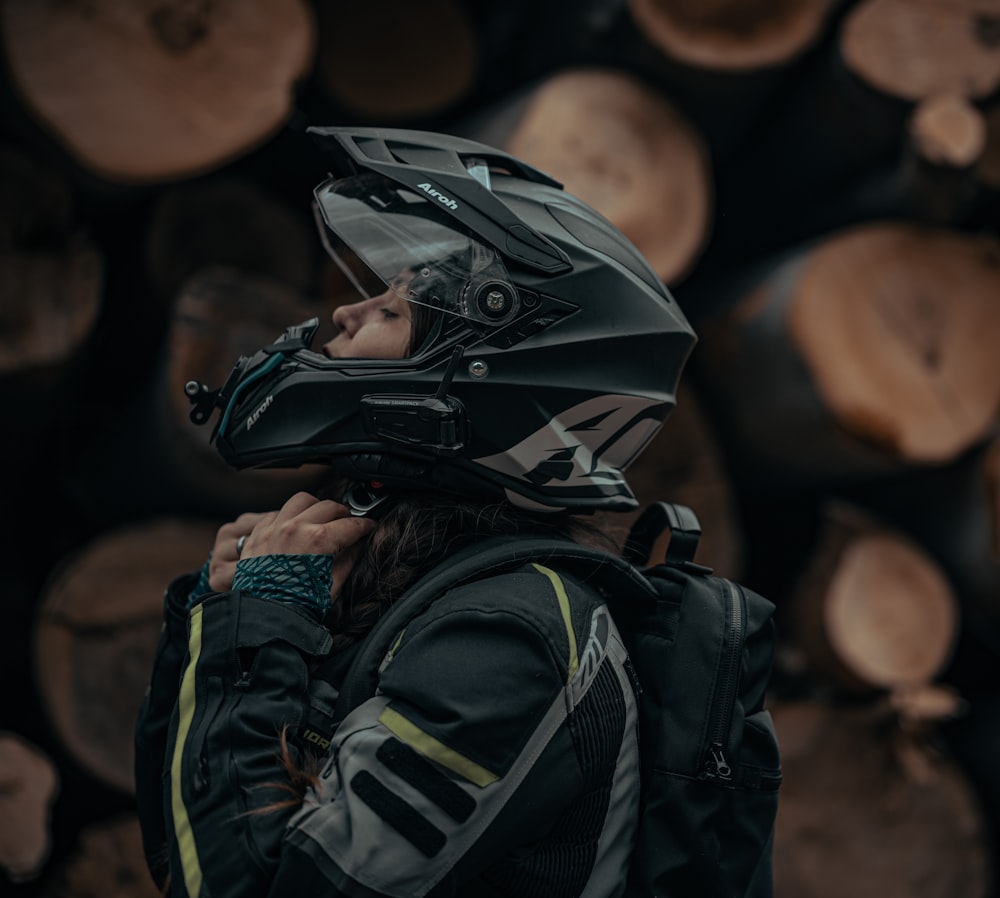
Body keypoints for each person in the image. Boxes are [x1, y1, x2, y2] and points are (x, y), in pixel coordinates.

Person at [135, 126, 697, 898]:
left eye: (394, 310)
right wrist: (219, 619)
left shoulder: (511, 641)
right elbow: (183, 853)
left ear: (474, 383)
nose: (344, 310)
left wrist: (257, 627)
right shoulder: (405, 585)